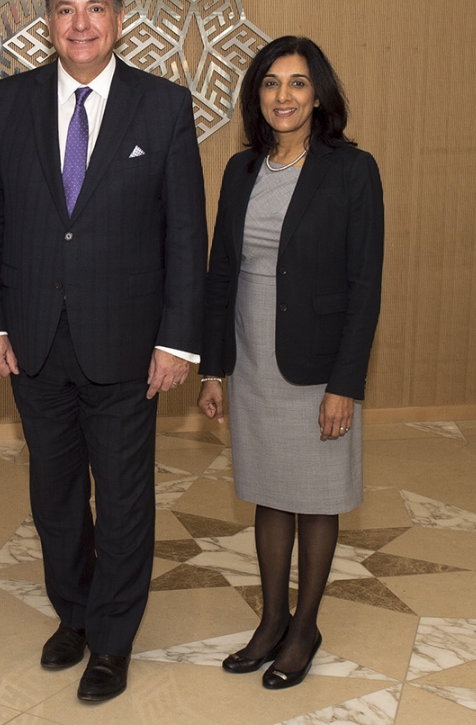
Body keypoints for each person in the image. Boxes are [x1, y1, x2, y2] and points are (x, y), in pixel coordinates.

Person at [0, 0, 207, 702]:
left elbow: (184, 233)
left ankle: (112, 638)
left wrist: (178, 340)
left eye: (95, 8)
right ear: (47, 22)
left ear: (119, 18)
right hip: (34, 341)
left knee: (125, 498)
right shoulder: (7, 102)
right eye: (65, 9)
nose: (80, 23)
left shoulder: (162, 105)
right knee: (55, 493)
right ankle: (73, 614)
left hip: (130, 347)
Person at [197, 35, 383, 689]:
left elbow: (365, 285)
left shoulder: (352, 170)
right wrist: (212, 368)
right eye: (271, 83)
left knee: (318, 496)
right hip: (250, 358)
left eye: (297, 83)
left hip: (318, 363)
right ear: (258, 95)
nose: (283, 96)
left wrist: (344, 386)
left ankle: (305, 627)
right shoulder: (241, 170)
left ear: (318, 93)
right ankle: (271, 619)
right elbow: (220, 275)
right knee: (271, 494)